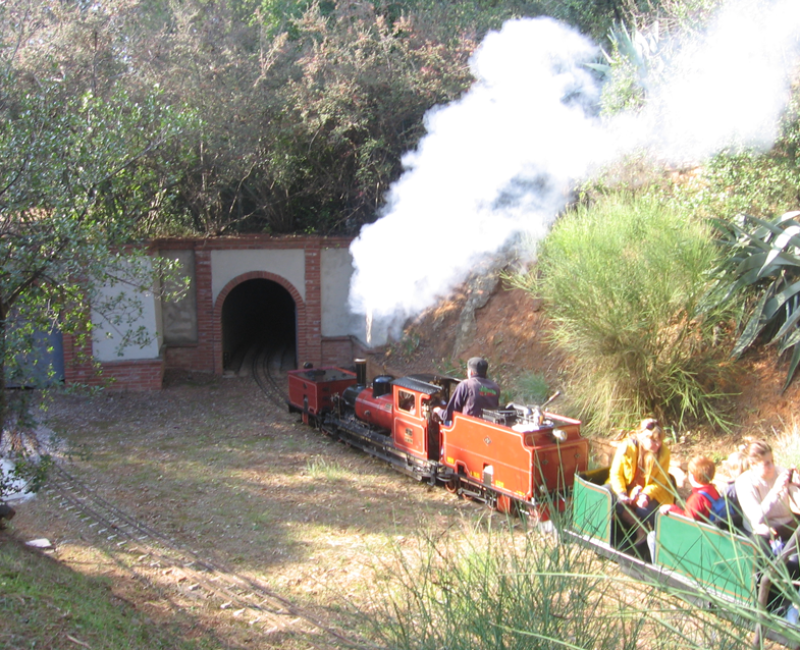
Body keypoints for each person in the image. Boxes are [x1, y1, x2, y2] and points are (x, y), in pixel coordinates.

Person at [607, 418, 675, 544]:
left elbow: (661, 481)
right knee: (614, 501)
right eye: (654, 440)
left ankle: (656, 539)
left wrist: (646, 496)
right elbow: (616, 474)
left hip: (649, 492)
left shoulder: (664, 452)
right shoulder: (626, 447)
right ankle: (639, 529)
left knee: (646, 511)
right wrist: (622, 493)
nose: (658, 444)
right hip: (626, 488)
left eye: (660, 440)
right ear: (641, 437)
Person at [734, 440, 800, 542]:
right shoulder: (744, 482)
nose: (772, 467)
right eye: (766, 464)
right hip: (763, 533)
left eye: (772, 461)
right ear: (753, 464)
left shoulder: (781, 472)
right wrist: (775, 491)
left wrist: (797, 486)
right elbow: (755, 519)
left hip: (788, 526)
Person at [434, 357, 500, 424]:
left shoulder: (466, 385)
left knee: (446, 422)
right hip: (489, 427)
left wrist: (438, 410)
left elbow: (449, 415)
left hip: (468, 427)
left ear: (471, 372)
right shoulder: (495, 387)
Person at [660, 455, 720, 521]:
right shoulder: (712, 490)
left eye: (688, 473)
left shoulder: (697, 498)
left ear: (693, 476)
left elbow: (688, 522)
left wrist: (671, 508)